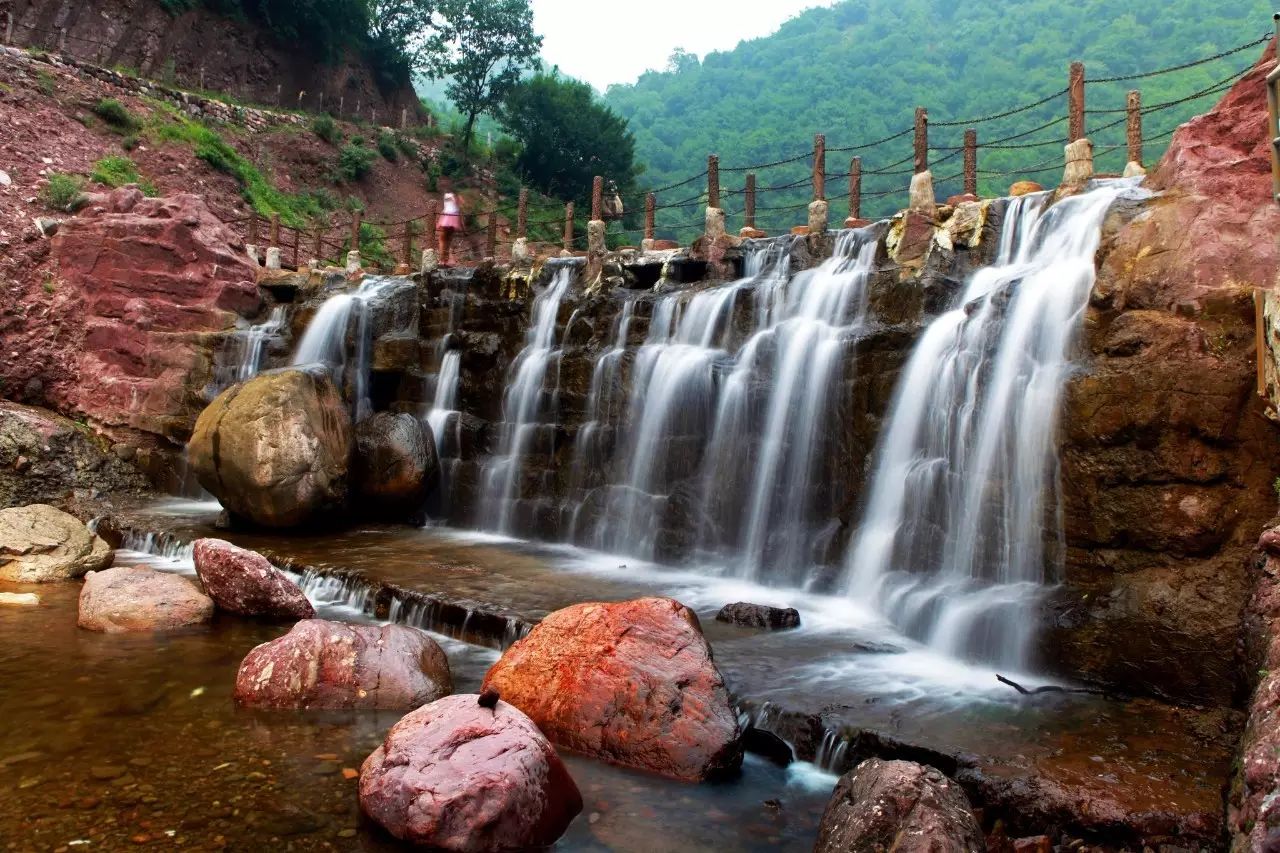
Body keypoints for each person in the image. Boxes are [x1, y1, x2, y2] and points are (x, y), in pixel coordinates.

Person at [436, 181, 465, 266]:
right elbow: (460, 206)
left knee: (442, 239)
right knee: (448, 239)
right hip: (454, 217)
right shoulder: (455, 197)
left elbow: (453, 203)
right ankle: (446, 259)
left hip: (446, 217)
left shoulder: (447, 196)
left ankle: (442, 260)